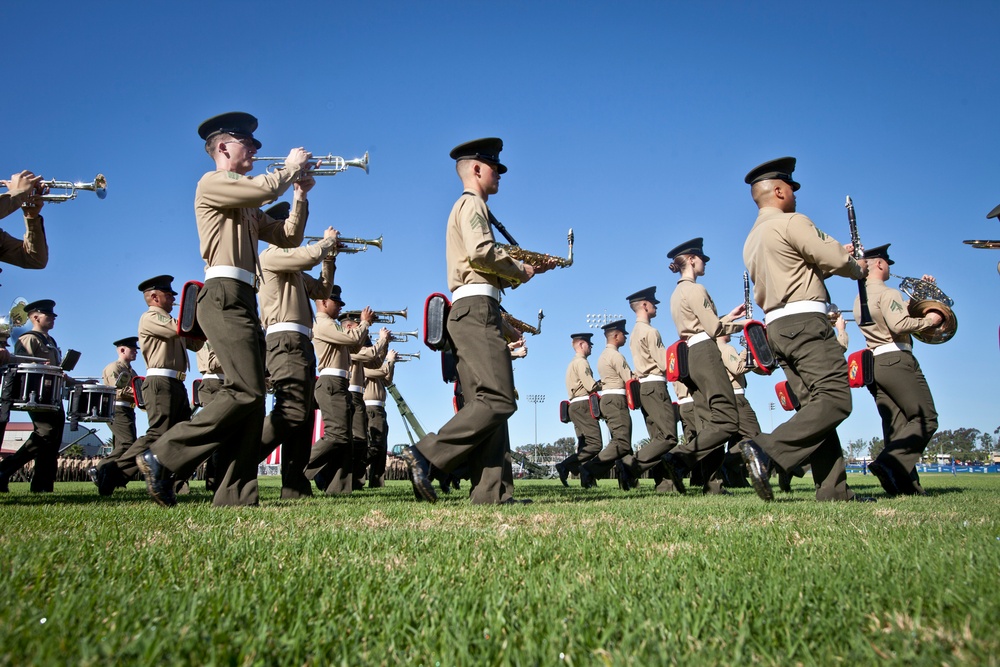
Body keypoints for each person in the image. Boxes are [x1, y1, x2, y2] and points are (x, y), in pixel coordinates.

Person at [137, 111, 315, 507]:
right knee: (247, 392)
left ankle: (236, 493)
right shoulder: (213, 182)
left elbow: (288, 236)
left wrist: (300, 194)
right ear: (222, 147)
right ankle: (163, 455)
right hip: (221, 292)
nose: (254, 149)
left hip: (244, 296)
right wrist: (287, 170)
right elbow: (264, 190)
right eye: (246, 143)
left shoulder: (248, 197)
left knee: (252, 405)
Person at [401, 137, 555, 505]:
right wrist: (519, 269)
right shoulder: (472, 205)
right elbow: (482, 252)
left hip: (471, 309)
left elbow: (480, 264)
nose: (499, 174)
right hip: (476, 311)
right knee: (500, 399)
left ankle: (492, 493)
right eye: (494, 168)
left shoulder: (469, 206)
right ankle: (427, 455)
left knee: (486, 401)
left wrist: (522, 273)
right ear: (476, 169)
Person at [741, 156, 870, 502]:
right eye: (793, 190)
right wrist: (855, 267)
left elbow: (794, 271)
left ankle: (833, 490)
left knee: (815, 406)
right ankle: (766, 451)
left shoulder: (752, 239)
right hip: (806, 322)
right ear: (780, 191)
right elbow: (837, 260)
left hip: (777, 327)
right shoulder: (792, 221)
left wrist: (826, 259)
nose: (796, 197)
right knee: (835, 399)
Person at [257, 199, 339, 499]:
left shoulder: (290, 267)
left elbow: (322, 291)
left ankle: (295, 485)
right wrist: (326, 244)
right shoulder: (272, 256)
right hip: (285, 339)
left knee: (304, 417)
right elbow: (306, 257)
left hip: (300, 341)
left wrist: (330, 260)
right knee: (291, 411)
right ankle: (238, 460)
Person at [853, 244, 941, 496]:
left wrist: (920, 294)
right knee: (925, 418)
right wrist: (930, 321)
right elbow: (899, 322)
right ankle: (889, 463)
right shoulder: (887, 292)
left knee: (897, 427)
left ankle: (905, 486)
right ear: (879, 264)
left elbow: (893, 312)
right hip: (897, 358)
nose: (890, 267)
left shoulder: (860, 298)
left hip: (875, 363)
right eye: (888, 263)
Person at [663, 238, 744, 495]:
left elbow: (704, 322)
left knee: (710, 424)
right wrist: (745, 324)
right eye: (701, 258)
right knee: (728, 420)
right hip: (706, 352)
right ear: (691, 259)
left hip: (690, 355)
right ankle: (680, 458)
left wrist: (728, 317)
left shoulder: (676, 294)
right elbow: (713, 329)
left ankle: (713, 485)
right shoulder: (696, 290)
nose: (704, 262)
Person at [306, 287, 377, 494]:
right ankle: (300, 469)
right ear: (324, 303)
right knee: (337, 435)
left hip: (340, 383)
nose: (340, 307)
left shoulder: (333, 326)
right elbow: (353, 341)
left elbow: (356, 348)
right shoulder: (322, 323)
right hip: (331, 382)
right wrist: (363, 323)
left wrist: (365, 328)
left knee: (345, 441)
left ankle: (338, 487)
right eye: (336, 303)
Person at [618, 286, 678, 492]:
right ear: (644, 305)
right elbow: (663, 363)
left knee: (657, 438)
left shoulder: (635, 333)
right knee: (669, 437)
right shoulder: (650, 332)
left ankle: (664, 482)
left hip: (644, 387)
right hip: (655, 385)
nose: (656, 307)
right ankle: (631, 466)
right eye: (653, 303)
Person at [0, 300, 63, 492]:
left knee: (51, 442)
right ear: (35, 317)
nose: (53, 318)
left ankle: (43, 485)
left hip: (52, 395)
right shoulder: (29, 339)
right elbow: (19, 365)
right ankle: (4, 469)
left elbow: (55, 370)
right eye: (48, 315)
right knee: (44, 435)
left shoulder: (50, 341)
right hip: (36, 395)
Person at [581, 320, 637, 490]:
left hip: (608, 399)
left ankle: (626, 480)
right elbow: (630, 378)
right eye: (622, 334)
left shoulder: (603, 356)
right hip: (615, 399)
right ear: (615, 336)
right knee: (622, 442)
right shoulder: (616, 356)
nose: (625, 337)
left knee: (621, 443)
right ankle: (590, 469)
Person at [90, 337, 140, 495]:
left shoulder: (131, 371)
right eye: (133, 349)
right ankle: (99, 469)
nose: (136, 352)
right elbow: (116, 390)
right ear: (122, 350)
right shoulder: (113, 368)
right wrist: (138, 392)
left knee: (122, 447)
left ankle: (112, 477)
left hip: (129, 409)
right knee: (128, 444)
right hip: (117, 408)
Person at [555, 332, 602, 488]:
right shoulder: (582, 363)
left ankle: (587, 480)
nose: (591, 347)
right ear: (581, 344)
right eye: (589, 344)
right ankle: (565, 465)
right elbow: (591, 386)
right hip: (583, 404)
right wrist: (606, 383)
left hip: (574, 405)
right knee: (595, 444)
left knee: (584, 445)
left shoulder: (571, 364)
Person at [348, 320, 389, 490]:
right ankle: (353, 474)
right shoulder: (358, 356)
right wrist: (384, 345)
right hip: (368, 404)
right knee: (370, 445)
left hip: (377, 406)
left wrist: (385, 345)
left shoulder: (366, 359)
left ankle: (372, 481)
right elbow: (380, 369)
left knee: (379, 446)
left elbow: (386, 376)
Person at [363, 349, 398, 487]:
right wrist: (388, 361)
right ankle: (355, 467)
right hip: (370, 406)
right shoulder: (364, 365)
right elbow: (382, 372)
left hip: (379, 407)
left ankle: (376, 482)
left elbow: (387, 381)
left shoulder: (377, 368)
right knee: (376, 446)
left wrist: (392, 364)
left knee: (382, 447)